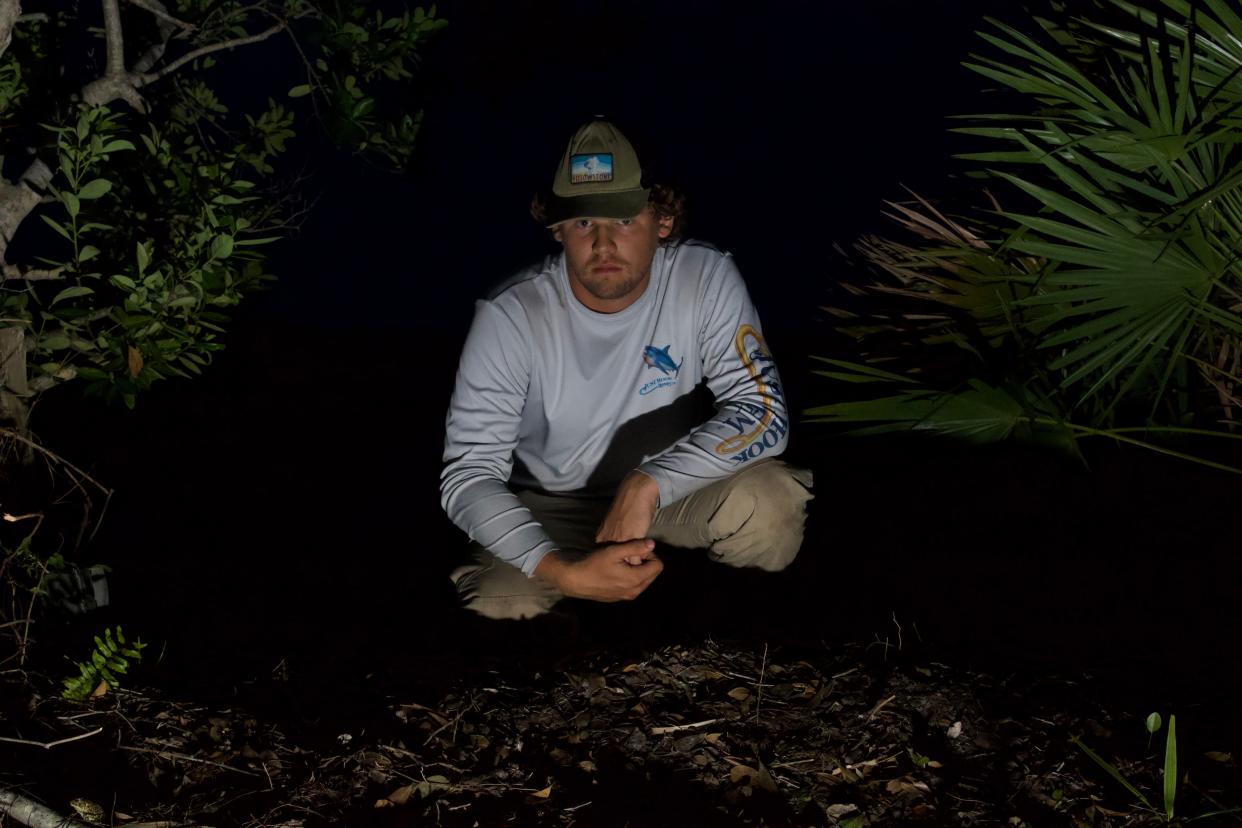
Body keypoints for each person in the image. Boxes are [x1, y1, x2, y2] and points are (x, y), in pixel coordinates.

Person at [440, 118, 813, 620]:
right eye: (583, 222)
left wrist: (649, 482)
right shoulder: (510, 315)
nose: (602, 244)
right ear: (558, 229)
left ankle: (731, 626)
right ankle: (571, 625)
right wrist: (558, 570)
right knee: (500, 600)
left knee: (770, 507)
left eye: (623, 220)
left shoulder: (703, 276)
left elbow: (764, 411)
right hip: (553, 503)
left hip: (670, 492)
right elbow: (468, 475)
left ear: (662, 222)